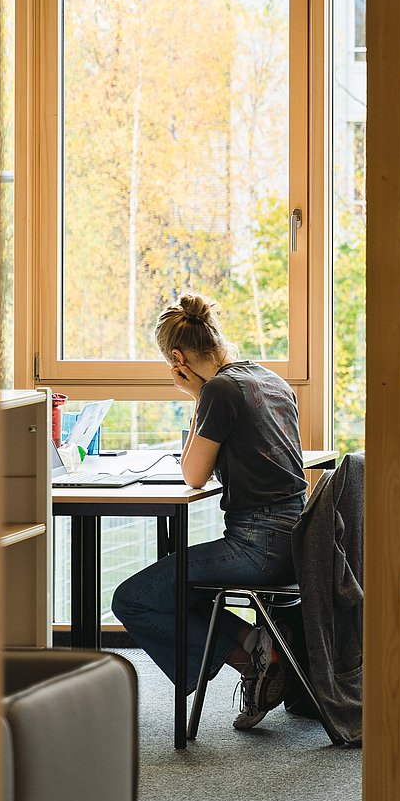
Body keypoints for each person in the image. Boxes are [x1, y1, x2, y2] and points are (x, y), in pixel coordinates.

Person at [111, 294, 308, 730]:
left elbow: (194, 475)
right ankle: (257, 642)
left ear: (177, 358)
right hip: (298, 541)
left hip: (256, 547)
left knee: (133, 599)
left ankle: (254, 664)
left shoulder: (218, 390)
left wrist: (196, 396)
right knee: (178, 588)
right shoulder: (270, 379)